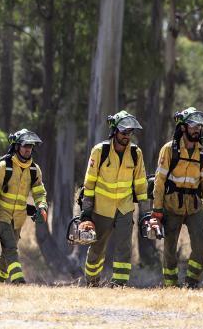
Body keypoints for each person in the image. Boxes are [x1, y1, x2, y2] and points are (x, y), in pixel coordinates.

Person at [79, 111, 148, 287]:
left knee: (124, 248)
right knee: (97, 248)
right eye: (124, 132)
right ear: (114, 131)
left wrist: (146, 213)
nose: (127, 136)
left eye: (130, 133)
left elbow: (140, 184)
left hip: (125, 208)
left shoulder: (135, 153)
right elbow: (89, 184)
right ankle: (92, 282)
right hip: (101, 209)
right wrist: (86, 214)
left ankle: (120, 285)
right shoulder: (99, 151)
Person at [152, 107, 203, 287]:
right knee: (170, 248)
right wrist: (157, 210)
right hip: (172, 205)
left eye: (199, 126)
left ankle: (191, 282)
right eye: (193, 125)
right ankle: (171, 285)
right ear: (183, 127)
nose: (197, 129)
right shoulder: (169, 150)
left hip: (194, 206)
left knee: (201, 243)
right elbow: (159, 181)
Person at [0, 129, 48, 285]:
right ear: (17, 146)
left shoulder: (34, 170)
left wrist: (42, 206)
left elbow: (39, 193)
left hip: (19, 218)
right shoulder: (3, 166)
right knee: (11, 247)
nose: (28, 149)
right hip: (1, 215)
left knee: (7, 252)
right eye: (25, 145)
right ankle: (17, 280)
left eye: (31, 146)